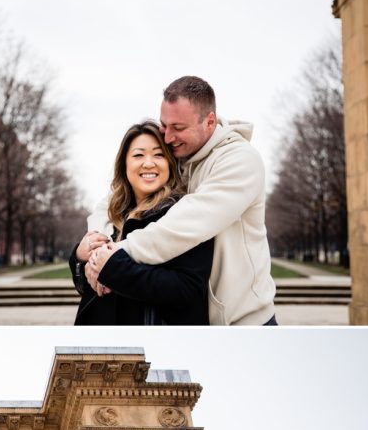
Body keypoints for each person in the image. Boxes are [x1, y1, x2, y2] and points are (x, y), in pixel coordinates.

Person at [82, 76, 276, 325]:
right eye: (165, 125)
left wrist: (113, 255)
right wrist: (97, 242)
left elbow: (182, 225)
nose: (168, 137)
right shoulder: (181, 156)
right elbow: (113, 200)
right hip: (201, 322)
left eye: (179, 128)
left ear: (209, 121)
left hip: (244, 322)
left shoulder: (240, 161)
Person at [69, 122, 212, 325]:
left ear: (170, 163)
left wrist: (114, 269)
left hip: (154, 345)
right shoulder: (112, 213)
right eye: (138, 155)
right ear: (124, 164)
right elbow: (89, 288)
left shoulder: (184, 213)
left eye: (158, 154)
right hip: (102, 344)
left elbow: (188, 289)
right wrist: (79, 257)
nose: (148, 163)